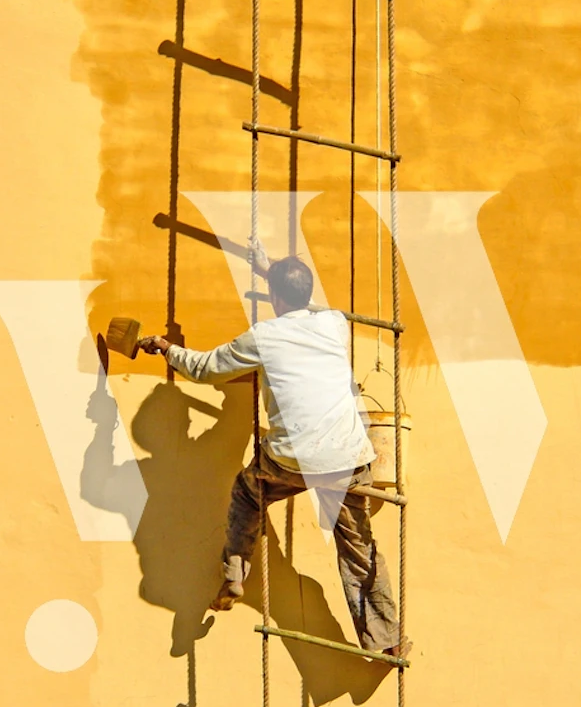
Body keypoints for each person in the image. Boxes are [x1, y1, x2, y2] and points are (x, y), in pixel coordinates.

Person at [137, 257, 406, 659]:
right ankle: (386, 638)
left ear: (275, 297)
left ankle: (234, 572)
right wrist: (272, 274)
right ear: (307, 293)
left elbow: (205, 369)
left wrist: (167, 348)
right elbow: (307, 304)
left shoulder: (263, 337)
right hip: (346, 458)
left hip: (291, 460)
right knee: (357, 547)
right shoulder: (334, 324)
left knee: (248, 494)